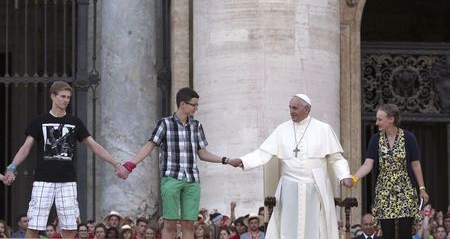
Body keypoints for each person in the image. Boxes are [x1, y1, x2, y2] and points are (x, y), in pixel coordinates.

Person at [2, 81, 129, 239]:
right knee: (34, 225)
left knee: (69, 226)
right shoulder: (39, 121)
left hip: (67, 181)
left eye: (68, 97)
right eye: (62, 96)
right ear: (53, 96)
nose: (66, 100)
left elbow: (94, 145)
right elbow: (26, 147)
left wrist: (115, 163)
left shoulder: (74, 122)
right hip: (43, 180)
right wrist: (12, 167)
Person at [231, 94, 352, 239]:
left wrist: (344, 175)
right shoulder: (282, 129)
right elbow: (263, 153)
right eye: (290, 107)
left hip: (315, 188)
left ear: (307, 109)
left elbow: (336, 158)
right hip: (289, 188)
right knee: (287, 229)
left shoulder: (324, 129)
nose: (291, 111)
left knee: (315, 229)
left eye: (295, 108)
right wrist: (244, 161)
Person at [122, 87, 238, 239]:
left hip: (192, 180)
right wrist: (130, 165)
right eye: (194, 104)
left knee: (189, 224)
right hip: (171, 178)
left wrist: (227, 160)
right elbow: (150, 145)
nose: (196, 108)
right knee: (170, 224)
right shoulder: (165, 124)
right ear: (183, 104)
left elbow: (202, 153)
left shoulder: (197, 126)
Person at [352, 104, 429, 239]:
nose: (376, 123)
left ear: (391, 119)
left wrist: (422, 188)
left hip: (405, 190)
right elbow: (367, 164)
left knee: (405, 232)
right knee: (387, 233)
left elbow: (416, 165)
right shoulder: (376, 139)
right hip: (385, 191)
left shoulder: (408, 138)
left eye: (380, 119)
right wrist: (353, 178)